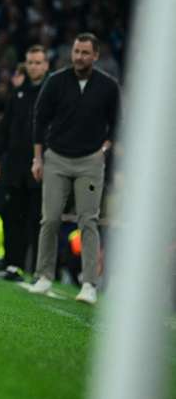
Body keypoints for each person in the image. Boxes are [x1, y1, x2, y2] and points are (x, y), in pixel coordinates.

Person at [28, 33, 120, 305]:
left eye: (85, 52)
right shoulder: (56, 81)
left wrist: (104, 149)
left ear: (96, 55)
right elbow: (39, 119)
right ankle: (44, 276)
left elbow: (117, 123)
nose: (79, 57)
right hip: (56, 158)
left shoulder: (108, 86)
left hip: (90, 161)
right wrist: (37, 159)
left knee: (88, 221)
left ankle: (89, 284)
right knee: (50, 219)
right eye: (76, 51)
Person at [0, 46, 49, 280]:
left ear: (46, 65)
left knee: (36, 218)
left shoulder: (52, 92)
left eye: (38, 62)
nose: (34, 67)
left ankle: (39, 270)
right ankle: (13, 263)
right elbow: (4, 128)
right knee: (11, 214)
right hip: (14, 164)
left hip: (40, 165)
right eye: (30, 62)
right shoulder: (18, 93)